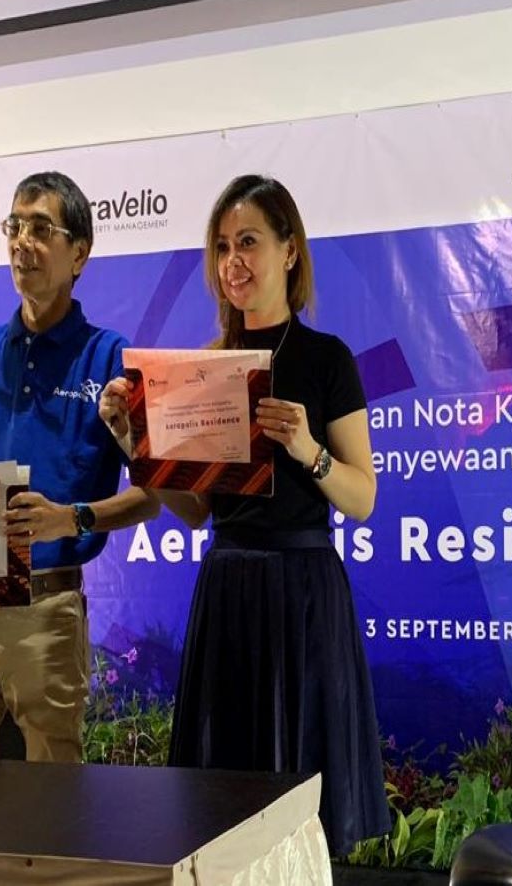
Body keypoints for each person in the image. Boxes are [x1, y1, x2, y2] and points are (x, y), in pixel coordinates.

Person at [99, 174, 389, 854]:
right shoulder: (203, 370)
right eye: (223, 246)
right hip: (227, 592)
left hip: (304, 595)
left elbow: (362, 498)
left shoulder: (327, 359)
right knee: (221, 808)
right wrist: (133, 441)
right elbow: (194, 511)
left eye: (249, 241)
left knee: (305, 804)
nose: (234, 261)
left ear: (290, 250)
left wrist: (308, 450)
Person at [0, 171, 159, 763]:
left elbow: (152, 496)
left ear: (78, 253)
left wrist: (70, 518)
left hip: (46, 608)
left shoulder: (109, 357)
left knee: (52, 795)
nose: (21, 242)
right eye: (14, 226)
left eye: (40, 229)